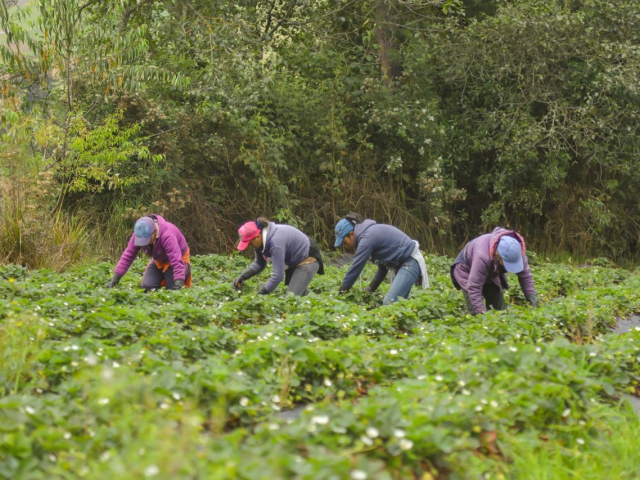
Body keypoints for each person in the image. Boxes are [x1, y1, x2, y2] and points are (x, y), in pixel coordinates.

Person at [334, 215, 429, 305]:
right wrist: (370, 289)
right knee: (400, 303)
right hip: (402, 263)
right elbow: (383, 268)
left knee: (389, 302)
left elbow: (356, 268)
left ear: (351, 234)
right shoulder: (369, 234)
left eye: (345, 242)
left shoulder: (367, 238)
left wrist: (341, 293)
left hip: (410, 261)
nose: (345, 245)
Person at [450, 227, 537, 314]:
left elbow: (526, 277)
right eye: (507, 263)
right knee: (475, 312)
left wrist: (532, 301)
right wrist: (482, 317)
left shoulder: (517, 251)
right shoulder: (482, 257)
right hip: (466, 270)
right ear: (497, 256)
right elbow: (474, 287)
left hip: (490, 271)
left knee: (499, 310)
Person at [233, 217, 324, 296]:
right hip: (294, 260)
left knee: (291, 299)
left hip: (307, 258)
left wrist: (261, 292)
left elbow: (278, 276)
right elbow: (259, 264)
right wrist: (242, 277)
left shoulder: (275, 243)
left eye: (249, 243)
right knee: (299, 300)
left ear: (257, 237)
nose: (249, 246)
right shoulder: (260, 242)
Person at [105, 214, 192, 290]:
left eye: (146, 239)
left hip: (179, 258)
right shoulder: (139, 232)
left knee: (173, 289)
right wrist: (115, 279)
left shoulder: (168, 235)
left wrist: (179, 281)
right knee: (146, 287)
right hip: (159, 259)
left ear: (154, 232)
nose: (144, 242)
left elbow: (176, 260)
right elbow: (128, 255)